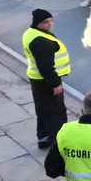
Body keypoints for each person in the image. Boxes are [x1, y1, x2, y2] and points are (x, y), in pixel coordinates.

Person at [22, 8, 69, 150]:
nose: (49, 24)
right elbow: (45, 67)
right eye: (45, 22)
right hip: (46, 81)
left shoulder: (31, 33)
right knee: (56, 112)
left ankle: (43, 139)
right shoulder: (40, 41)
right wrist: (56, 84)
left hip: (37, 79)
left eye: (51, 21)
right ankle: (60, 143)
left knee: (42, 110)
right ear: (37, 23)